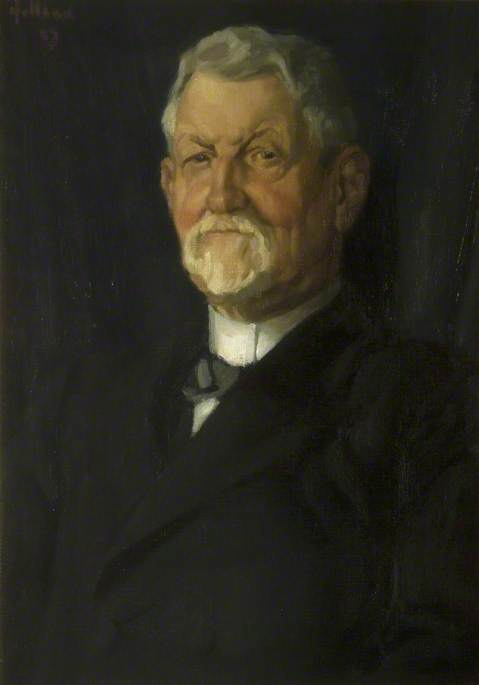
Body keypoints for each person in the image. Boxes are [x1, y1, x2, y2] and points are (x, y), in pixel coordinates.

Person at [4, 25, 478, 685]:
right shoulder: (78, 399)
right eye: (199, 159)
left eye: (262, 155)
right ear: (169, 186)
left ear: (344, 189)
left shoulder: (423, 405)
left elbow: (438, 656)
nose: (222, 194)